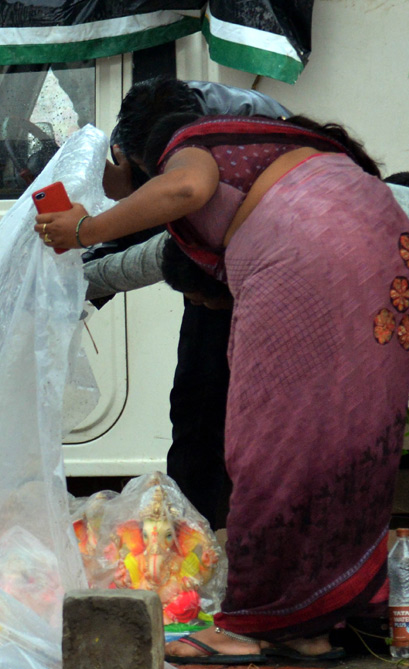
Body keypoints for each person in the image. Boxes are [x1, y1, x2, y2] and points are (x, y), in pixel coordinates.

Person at [36, 111, 409, 663]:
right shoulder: (283, 163)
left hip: (309, 248)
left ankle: (253, 624)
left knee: (266, 441)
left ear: (128, 156)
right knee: (345, 437)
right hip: (387, 247)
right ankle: (311, 624)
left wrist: (84, 230)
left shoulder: (187, 143)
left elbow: (188, 185)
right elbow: (146, 256)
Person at [95, 77, 292, 530]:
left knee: (239, 412)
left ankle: (224, 534)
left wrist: (86, 233)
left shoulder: (221, 143)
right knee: (197, 403)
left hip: (270, 268)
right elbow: (144, 205)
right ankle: (194, 535)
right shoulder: (145, 121)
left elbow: (181, 195)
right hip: (239, 263)